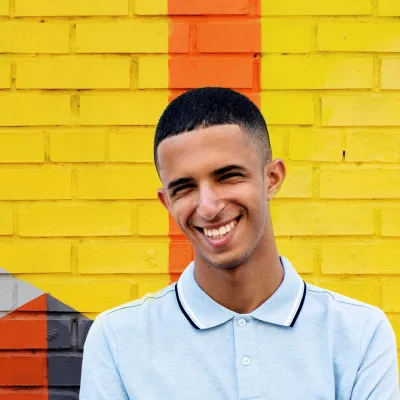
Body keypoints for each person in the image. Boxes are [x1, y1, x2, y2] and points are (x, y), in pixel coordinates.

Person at [80, 87, 399, 399]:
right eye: (184, 188)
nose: (207, 206)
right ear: (167, 202)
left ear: (272, 179)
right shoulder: (117, 339)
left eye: (228, 175)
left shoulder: (359, 333)